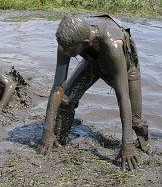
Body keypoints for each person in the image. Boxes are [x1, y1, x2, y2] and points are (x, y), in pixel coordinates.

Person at [40, 14, 151, 171]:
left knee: (135, 121)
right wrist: (47, 130)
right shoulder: (67, 42)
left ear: (85, 43)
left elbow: (122, 96)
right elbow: (58, 87)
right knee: (66, 100)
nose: (64, 52)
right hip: (92, 63)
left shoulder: (112, 45)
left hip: (124, 66)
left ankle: (144, 142)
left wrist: (127, 144)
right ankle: (58, 139)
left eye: (68, 50)